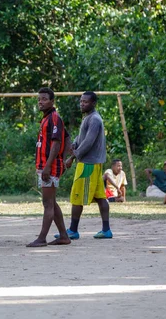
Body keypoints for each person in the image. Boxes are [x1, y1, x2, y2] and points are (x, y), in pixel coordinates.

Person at [61, 91, 112, 239]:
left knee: (77, 196)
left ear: (93, 103)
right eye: (81, 101)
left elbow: (88, 142)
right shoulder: (88, 118)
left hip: (88, 164)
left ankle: (73, 230)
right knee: (101, 197)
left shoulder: (94, 119)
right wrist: (75, 143)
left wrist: (72, 157)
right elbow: (82, 137)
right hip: (94, 163)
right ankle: (106, 230)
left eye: (85, 102)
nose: (82, 104)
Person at [27, 88, 72, 247]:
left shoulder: (54, 118)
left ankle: (41, 238)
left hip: (50, 167)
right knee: (52, 202)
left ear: (52, 101)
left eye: (44, 99)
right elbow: (67, 137)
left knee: (47, 203)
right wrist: (66, 156)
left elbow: (57, 142)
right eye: (39, 99)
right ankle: (64, 236)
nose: (40, 102)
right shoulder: (47, 119)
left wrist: (49, 165)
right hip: (46, 166)